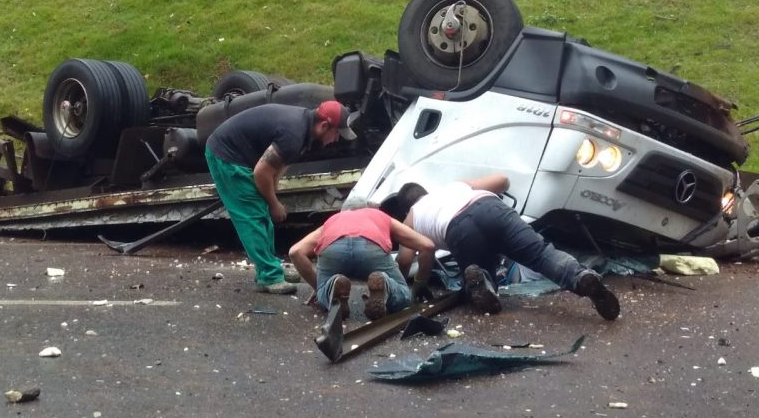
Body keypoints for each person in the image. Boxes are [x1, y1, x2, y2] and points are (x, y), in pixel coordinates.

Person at [394, 174, 620, 320]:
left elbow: (404, 260)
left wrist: (415, 284)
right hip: (491, 207)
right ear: (425, 190)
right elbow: (502, 180)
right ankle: (581, 277)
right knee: (541, 255)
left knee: (477, 273)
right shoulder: (454, 185)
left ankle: (482, 283)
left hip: (459, 229)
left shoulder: (412, 217)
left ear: (406, 208)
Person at [205, 101, 357, 294]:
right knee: (253, 216)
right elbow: (261, 173)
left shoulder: (305, 130)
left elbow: (277, 167)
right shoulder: (293, 135)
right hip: (227, 156)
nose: (336, 139)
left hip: (242, 155)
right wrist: (274, 203)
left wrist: (272, 196)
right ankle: (269, 276)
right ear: (324, 125)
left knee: (261, 213)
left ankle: (270, 267)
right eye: (336, 133)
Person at [288, 207, 436, 320]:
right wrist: (419, 286)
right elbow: (427, 246)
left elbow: (295, 252)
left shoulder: (333, 220)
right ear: (369, 207)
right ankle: (386, 285)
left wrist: (320, 286)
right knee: (403, 295)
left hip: (334, 247)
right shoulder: (379, 215)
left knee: (326, 290)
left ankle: (332, 287)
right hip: (370, 247)